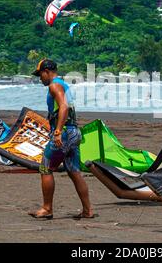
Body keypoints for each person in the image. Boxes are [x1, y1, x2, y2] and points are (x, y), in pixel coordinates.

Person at [28, 59, 95, 220]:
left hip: (64, 134)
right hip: (73, 132)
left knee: (45, 168)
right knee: (74, 171)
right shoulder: (64, 85)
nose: (40, 79)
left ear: (47, 71)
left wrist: (57, 131)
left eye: (40, 75)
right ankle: (88, 211)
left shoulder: (54, 85)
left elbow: (64, 107)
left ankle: (47, 209)